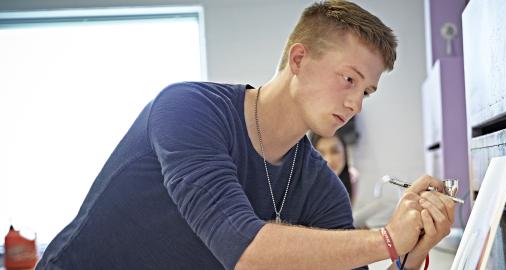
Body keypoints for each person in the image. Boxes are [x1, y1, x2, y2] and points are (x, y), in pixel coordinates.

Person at [36, 1, 455, 269]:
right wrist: (386, 239)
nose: (356, 104)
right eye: (348, 78)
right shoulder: (188, 109)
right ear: (298, 59)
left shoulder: (320, 185)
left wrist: (411, 249)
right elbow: (241, 246)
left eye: (366, 91)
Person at [309, 132, 359, 205]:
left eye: (335, 151)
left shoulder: (352, 177)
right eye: (320, 154)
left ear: (345, 152)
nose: (329, 160)